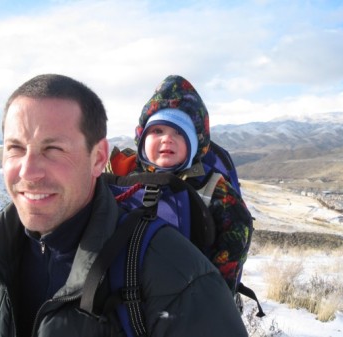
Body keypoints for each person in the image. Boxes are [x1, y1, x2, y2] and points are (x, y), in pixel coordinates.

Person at [0, 74, 248, 337]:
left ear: (96, 159)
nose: (29, 171)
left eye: (54, 148)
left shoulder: (186, 281)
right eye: (15, 148)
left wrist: (217, 293)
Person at [108, 74, 253, 296]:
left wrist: (214, 297)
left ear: (196, 146)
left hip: (185, 304)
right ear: (142, 138)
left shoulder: (214, 190)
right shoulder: (119, 175)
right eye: (158, 131)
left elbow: (237, 235)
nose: (167, 138)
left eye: (178, 132)